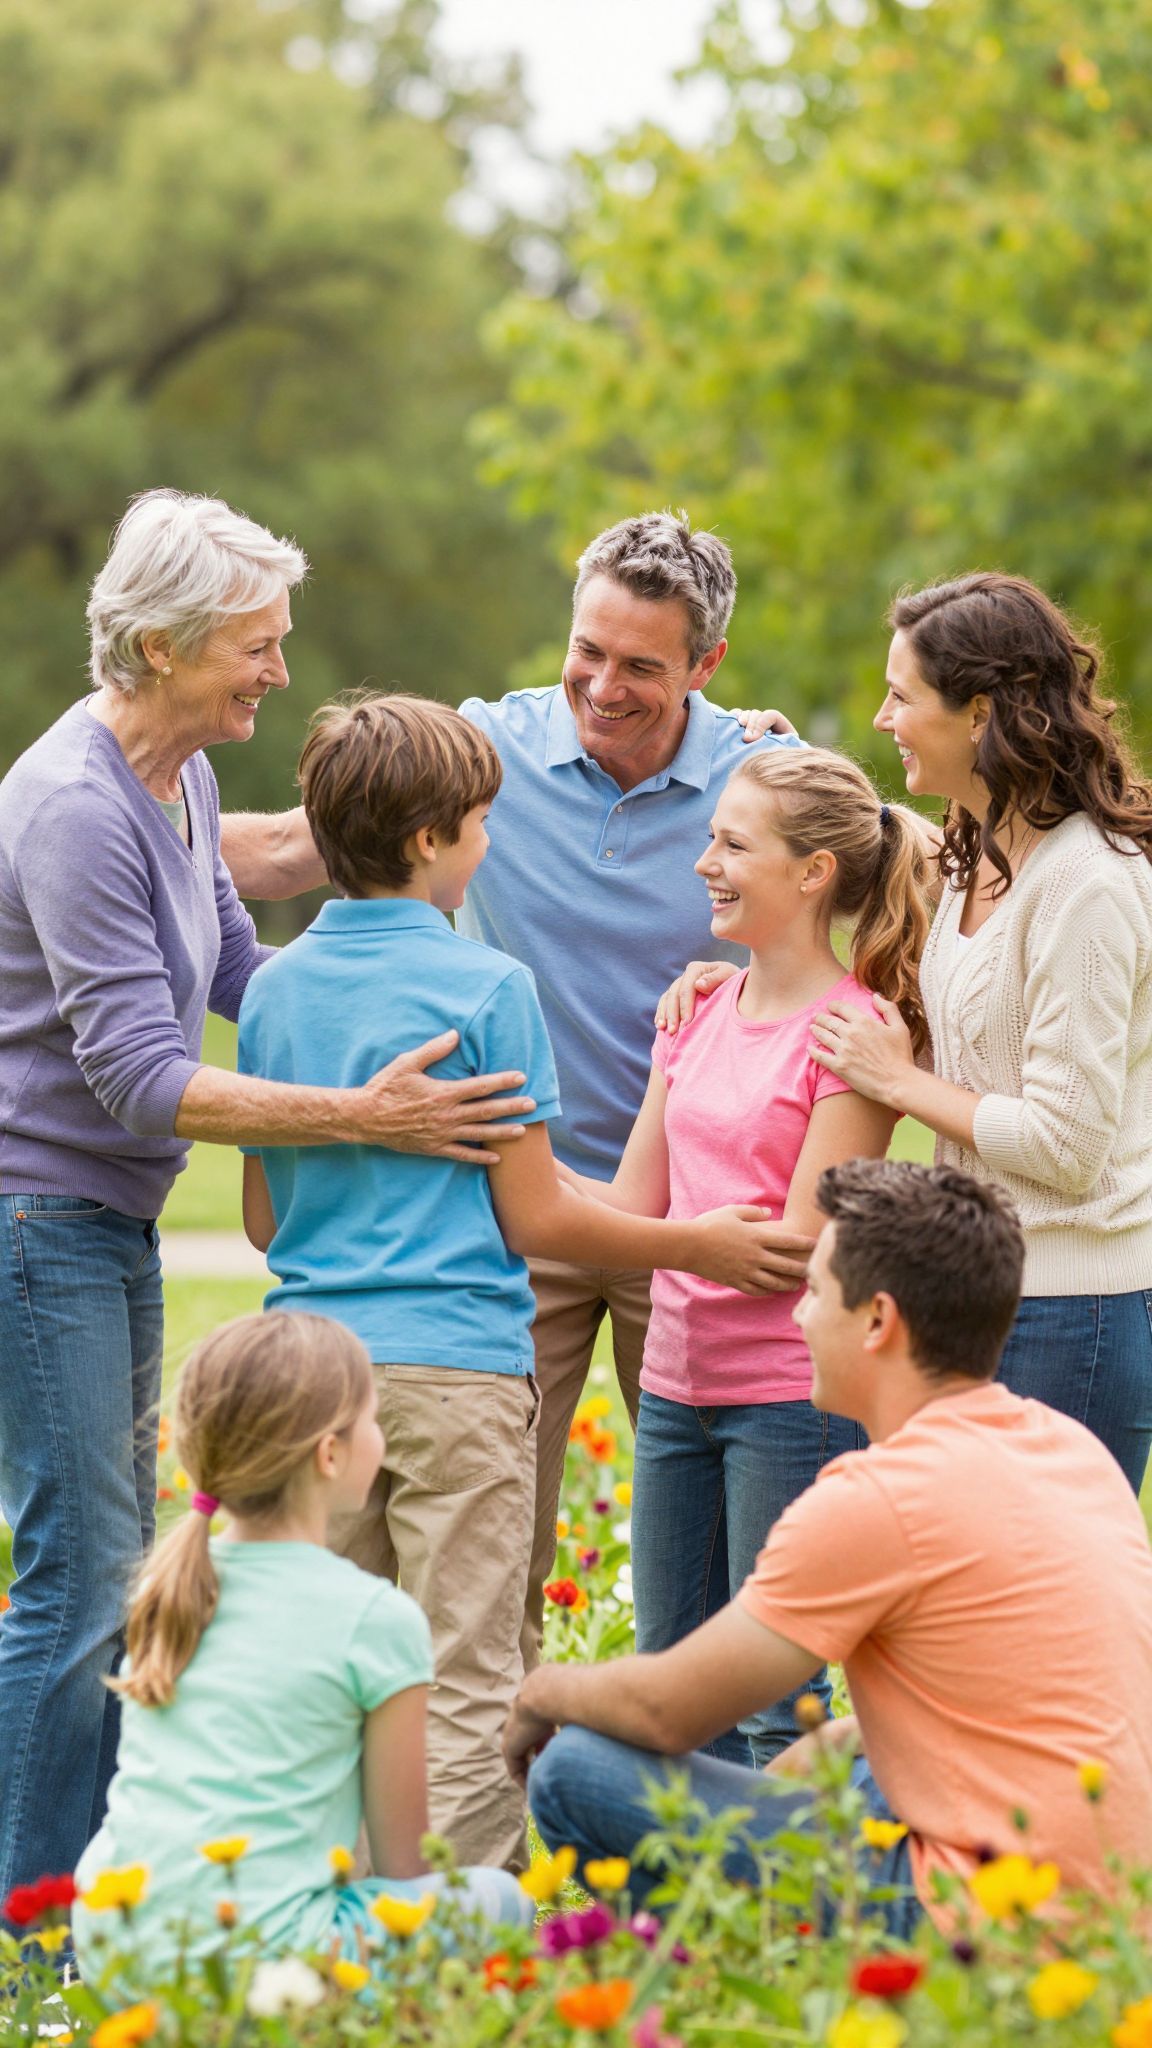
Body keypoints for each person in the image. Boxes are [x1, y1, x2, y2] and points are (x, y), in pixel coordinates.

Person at [0, 490, 535, 1922]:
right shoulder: (70, 807)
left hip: (98, 1224)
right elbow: (135, 1076)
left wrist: (371, 998)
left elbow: (250, 977)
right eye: (257, 644)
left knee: (111, 1561)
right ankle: (37, 1916)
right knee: (76, 1578)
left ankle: (124, 1886)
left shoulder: (170, 782)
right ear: (167, 643)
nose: (278, 670)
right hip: (38, 1215)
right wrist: (372, 1116)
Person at [216, 512, 796, 1672]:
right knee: (488, 1562)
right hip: (504, 1210)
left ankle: (684, 1799)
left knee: (725, 1554)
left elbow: (869, 891)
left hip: (686, 1211)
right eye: (588, 649)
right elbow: (291, 845)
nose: (603, 684)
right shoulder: (481, 756)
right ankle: (490, 1817)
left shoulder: (761, 780)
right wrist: (96, 846)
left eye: (642, 665)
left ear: (705, 667)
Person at [237, 693, 806, 1870]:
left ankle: (332, 1905)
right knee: (466, 1665)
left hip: (309, 1377)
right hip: (455, 1371)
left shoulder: (276, 990)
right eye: (481, 824)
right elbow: (539, 1214)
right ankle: (459, 1931)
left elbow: (260, 1213)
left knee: (337, 1654)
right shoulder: (488, 986)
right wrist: (695, 1242)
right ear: (429, 841)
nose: (490, 845)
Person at [506, 1160, 1152, 1933]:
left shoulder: (879, 1496)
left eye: (814, 1292)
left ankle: (703, 1965)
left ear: (877, 1321)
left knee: (575, 1769)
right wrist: (824, 1754)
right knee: (851, 1757)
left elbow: (663, 1712)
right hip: (1115, 1906)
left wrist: (539, 1693)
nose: (800, 1317)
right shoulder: (1068, 1448)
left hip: (979, 1921)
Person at [565, 748, 930, 1764]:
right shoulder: (693, 1013)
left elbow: (803, 1246)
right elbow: (634, 1203)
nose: (704, 863)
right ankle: (685, 1917)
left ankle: (792, 1914)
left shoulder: (853, 1033)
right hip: (675, 1387)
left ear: (812, 872)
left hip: (789, 1403)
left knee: (787, 1705)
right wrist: (501, 1165)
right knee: (670, 1676)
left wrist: (681, 1240)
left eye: (732, 843)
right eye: (709, 837)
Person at [806, 575, 1152, 1494]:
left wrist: (900, 1083)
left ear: (981, 713)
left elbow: (1067, 1144)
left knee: (1041, 1622)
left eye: (901, 696)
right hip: (992, 1296)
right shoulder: (979, 847)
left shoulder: (1087, 882)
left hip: (1073, 1312)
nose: (882, 718)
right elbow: (971, 1045)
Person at [72, 1312, 533, 1977]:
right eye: (372, 1421)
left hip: (116, 1946)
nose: (379, 1435)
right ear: (330, 1454)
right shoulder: (375, 1618)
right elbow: (403, 1870)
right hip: (265, 1965)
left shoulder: (166, 1589)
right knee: (501, 1901)